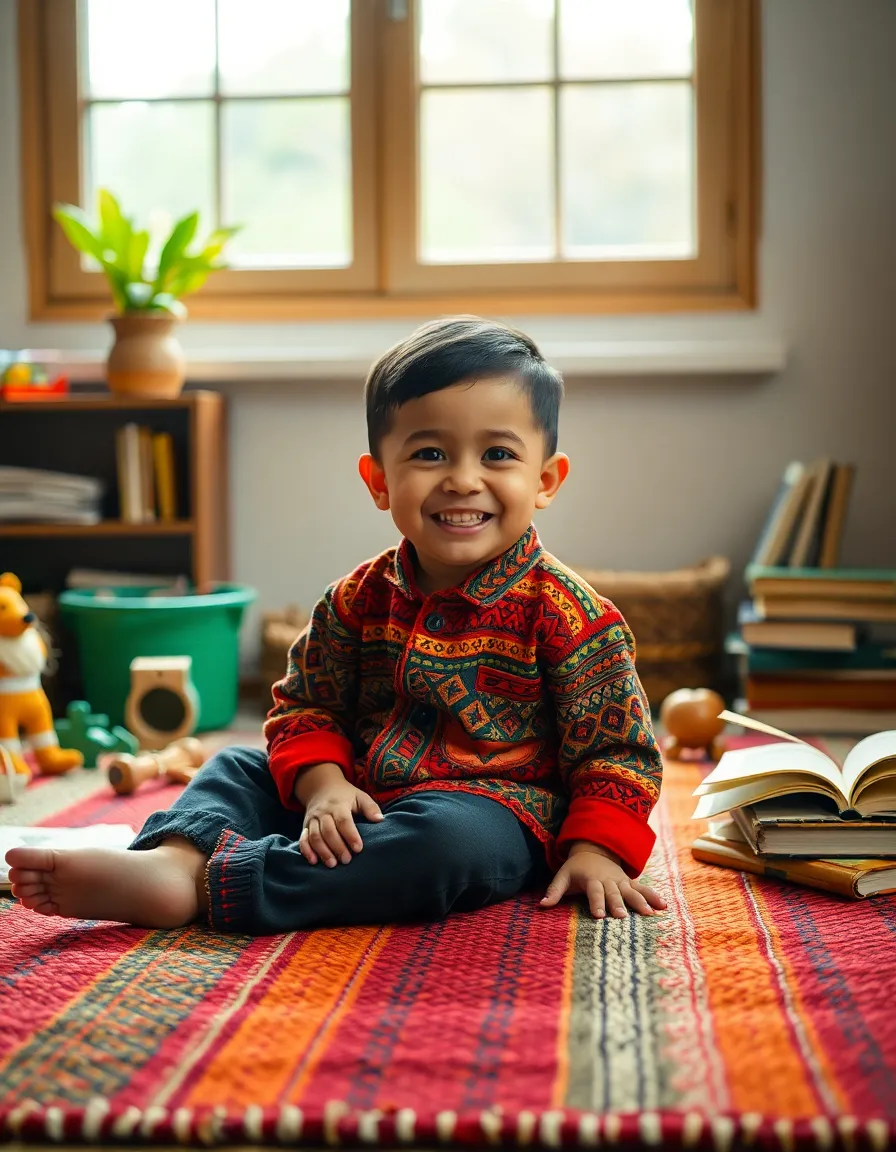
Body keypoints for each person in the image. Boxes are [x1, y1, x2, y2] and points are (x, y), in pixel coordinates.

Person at [6, 317, 666, 934]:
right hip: (349, 789)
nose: (463, 480)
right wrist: (324, 786)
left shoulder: (571, 615)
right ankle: (172, 859)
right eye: (430, 454)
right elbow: (304, 708)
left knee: (446, 848)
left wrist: (595, 849)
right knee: (238, 763)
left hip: (489, 809)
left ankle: (212, 887)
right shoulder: (354, 598)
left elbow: (618, 752)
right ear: (379, 481)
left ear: (546, 479)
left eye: (498, 454)